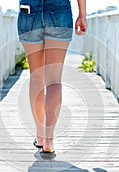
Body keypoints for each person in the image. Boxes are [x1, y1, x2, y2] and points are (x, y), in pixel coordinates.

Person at [17, 0, 87, 154]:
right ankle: (49, 140)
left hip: (29, 9)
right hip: (59, 9)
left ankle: (40, 136)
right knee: (54, 79)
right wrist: (82, 14)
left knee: (36, 77)